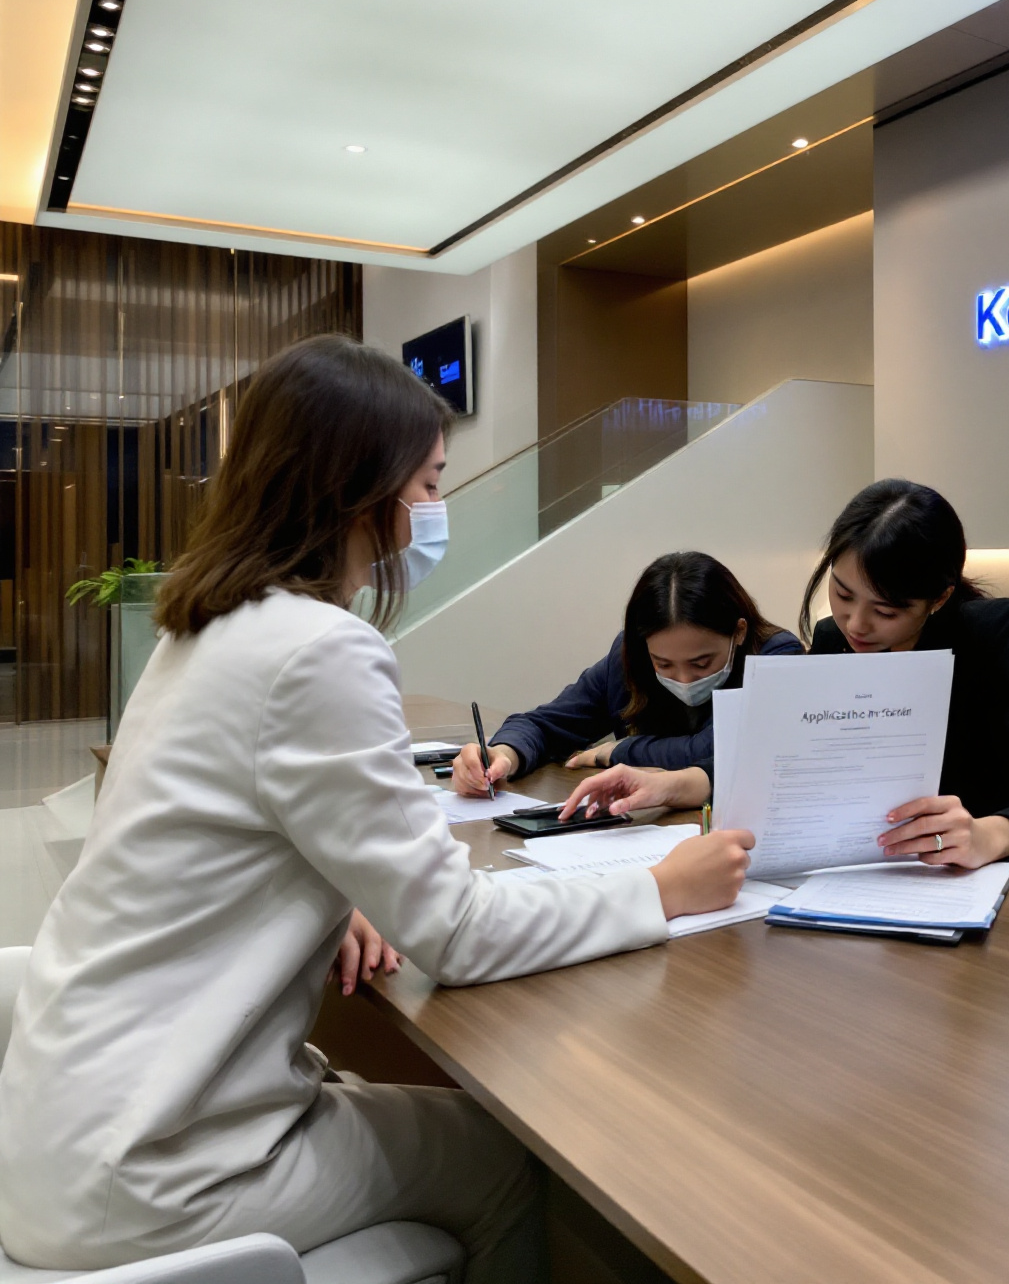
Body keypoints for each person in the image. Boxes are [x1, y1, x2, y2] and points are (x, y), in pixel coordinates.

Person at [0, 336, 752, 1282]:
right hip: (156, 1168)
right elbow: (459, 933)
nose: (437, 507)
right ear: (363, 490)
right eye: (430, 482)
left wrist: (334, 888)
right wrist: (662, 889)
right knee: (510, 1159)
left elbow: (223, 837)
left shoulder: (201, 631)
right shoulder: (320, 647)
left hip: (60, 1132)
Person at [804, 478, 1009, 867]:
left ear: (939, 598)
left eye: (885, 611)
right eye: (842, 594)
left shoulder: (989, 637)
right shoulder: (831, 640)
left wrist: (989, 835)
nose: (855, 624)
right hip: (862, 866)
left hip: (967, 877)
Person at [452, 551, 801, 802]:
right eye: (663, 664)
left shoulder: (778, 657)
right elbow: (546, 723)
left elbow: (721, 751)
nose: (683, 679)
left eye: (701, 663)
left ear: (738, 632)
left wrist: (619, 751)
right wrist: (504, 754)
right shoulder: (628, 657)